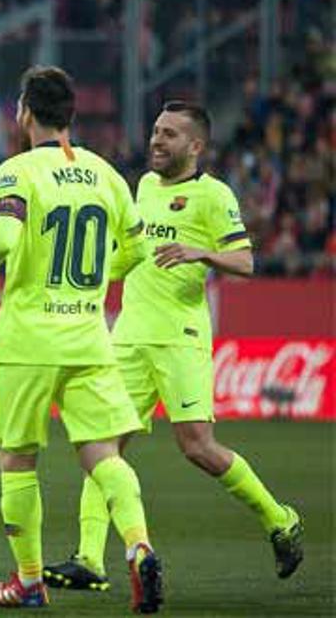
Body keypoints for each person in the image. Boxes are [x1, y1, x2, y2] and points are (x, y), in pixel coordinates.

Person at [44, 101, 303, 592]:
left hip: (179, 338)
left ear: (196, 146)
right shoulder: (141, 186)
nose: (157, 141)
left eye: (169, 135)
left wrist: (202, 251)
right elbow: (132, 253)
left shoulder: (212, 195)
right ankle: (89, 559)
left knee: (197, 447)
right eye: (156, 131)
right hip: (128, 338)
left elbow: (246, 261)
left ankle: (279, 518)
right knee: (104, 446)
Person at [0, 66, 163, 612]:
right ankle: (138, 546)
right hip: (88, 338)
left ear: (25, 114)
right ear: (72, 117)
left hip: (28, 342)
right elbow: (135, 252)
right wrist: (88, 279)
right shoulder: (106, 173)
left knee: (17, 461)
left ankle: (30, 582)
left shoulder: (16, 171)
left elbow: (4, 235)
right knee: (103, 455)